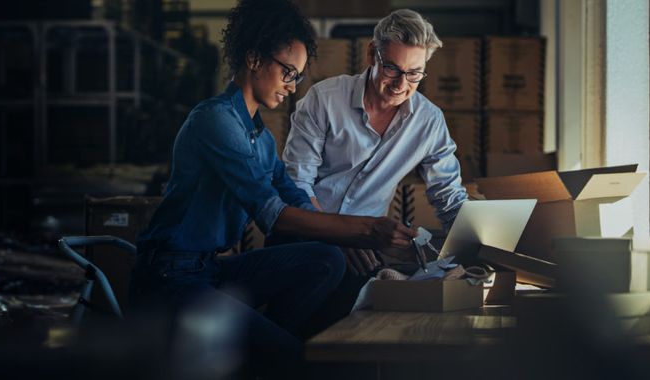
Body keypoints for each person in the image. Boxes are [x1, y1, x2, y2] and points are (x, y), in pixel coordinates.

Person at [129, 1, 416, 378]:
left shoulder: (258, 135)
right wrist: (365, 230)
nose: (292, 87)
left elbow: (292, 194)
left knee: (325, 259)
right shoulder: (216, 121)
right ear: (252, 58)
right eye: (287, 72)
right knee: (293, 357)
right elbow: (272, 217)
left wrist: (345, 240)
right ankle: (270, 355)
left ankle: (261, 352)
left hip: (210, 269)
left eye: (297, 76)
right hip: (170, 278)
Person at [281, 9, 469, 336]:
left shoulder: (428, 121)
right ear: (372, 54)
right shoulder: (324, 100)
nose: (401, 84)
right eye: (392, 68)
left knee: (361, 332)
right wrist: (336, 233)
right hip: (302, 235)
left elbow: (449, 198)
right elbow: (296, 184)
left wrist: (479, 246)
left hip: (364, 250)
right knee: (301, 335)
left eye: (414, 74)